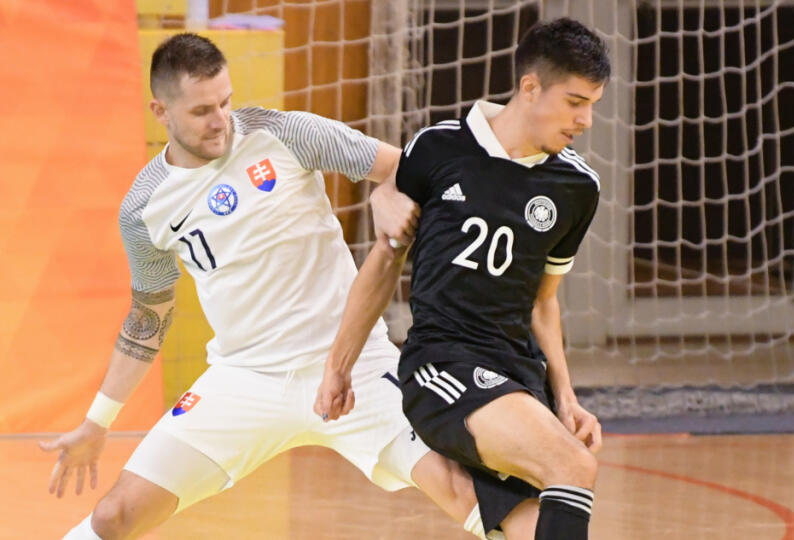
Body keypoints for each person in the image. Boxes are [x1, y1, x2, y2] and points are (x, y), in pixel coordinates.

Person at [41, 32, 531, 540]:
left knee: (461, 489)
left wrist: (387, 195)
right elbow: (150, 315)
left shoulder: (286, 133)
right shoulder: (144, 207)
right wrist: (98, 421)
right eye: (202, 111)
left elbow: (414, 169)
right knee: (113, 516)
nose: (220, 122)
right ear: (160, 112)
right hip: (244, 378)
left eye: (226, 102)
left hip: (353, 365)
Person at [316, 17, 611, 540]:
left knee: (525, 526)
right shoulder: (440, 148)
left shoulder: (576, 187)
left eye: (593, 103)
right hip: (444, 364)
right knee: (574, 468)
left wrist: (565, 397)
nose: (585, 119)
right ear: (530, 87)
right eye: (575, 101)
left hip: (519, 376)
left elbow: (545, 303)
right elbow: (383, 263)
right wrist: (338, 367)